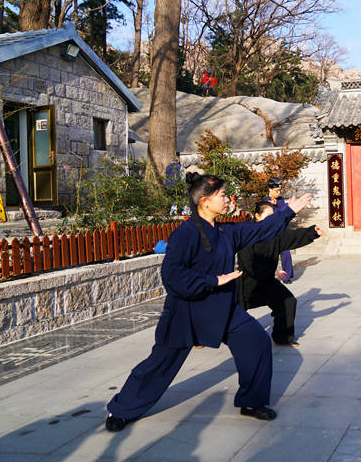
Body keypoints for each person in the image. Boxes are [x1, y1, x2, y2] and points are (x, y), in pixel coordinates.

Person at [104, 173, 312, 432]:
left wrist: (288, 211)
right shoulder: (185, 234)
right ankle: (122, 409)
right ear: (204, 201)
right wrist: (213, 280)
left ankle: (252, 401)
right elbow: (172, 275)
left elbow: (259, 230)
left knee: (256, 341)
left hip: (223, 308)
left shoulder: (226, 232)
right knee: (160, 363)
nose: (227, 200)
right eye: (222, 195)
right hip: (186, 311)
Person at [237, 201, 324, 346]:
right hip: (247, 284)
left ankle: (282, 337)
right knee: (228, 314)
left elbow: (292, 237)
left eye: (274, 216)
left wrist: (312, 232)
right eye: (269, 216)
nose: (273, 220)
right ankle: (200, 336)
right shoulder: (247, 234)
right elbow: (247, 263)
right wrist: (273, 272)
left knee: (287, 301)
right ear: (257, 216)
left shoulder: (275, 235)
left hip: (267, 282)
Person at [265, 177, 294, 282]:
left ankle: (287, 276)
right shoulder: (266, 203)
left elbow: (285, 214)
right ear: (270, 190)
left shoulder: (281, 200)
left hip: (282, 231)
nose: (279, 192)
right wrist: (284, 206)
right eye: (276, 191)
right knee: (270, 257)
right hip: (271, 233)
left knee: (286, 254)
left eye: (279, 190)